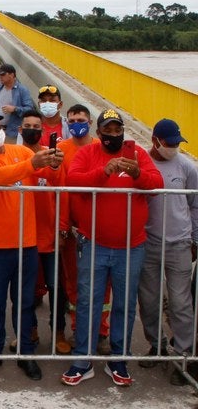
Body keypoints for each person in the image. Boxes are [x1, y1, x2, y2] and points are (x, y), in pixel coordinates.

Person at [61, 108, 163, 387]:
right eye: (108, 130)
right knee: (87, 302)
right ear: (99, 132)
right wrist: (102, 172)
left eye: (118, 130)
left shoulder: (137, 154)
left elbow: (157, 183)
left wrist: (138, 174)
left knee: (124, 305)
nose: (113, 135)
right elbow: (73, 180)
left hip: (131, 248)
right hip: (93, 244)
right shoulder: (87, 153)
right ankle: (82, 360)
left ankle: (119, 360)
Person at [0, 108, 63, 382]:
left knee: (24, 304)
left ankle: (26, 353)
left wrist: (54, 164)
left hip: (27, 244)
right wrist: (33, 164)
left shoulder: (21, 152)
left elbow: (51, 176)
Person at [137, 119, 197, 386]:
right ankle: (157, 346)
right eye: (169, 143)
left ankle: (185, 356)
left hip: (180, 244)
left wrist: (195, 239)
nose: (173, 147)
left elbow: (195, 204)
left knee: (181, 303)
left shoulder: (186, 166)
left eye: (176, 143)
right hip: (148, 244)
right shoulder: (141, 163)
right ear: (155, 140)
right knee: (148, 300)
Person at [56, 104, 111, 355]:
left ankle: (101, 331)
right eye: (72, 120)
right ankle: (79, 329)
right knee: (75, 283)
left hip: (101, 228)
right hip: (74, 231)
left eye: (81, 119)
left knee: (103, 284)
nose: (76, 123)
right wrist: (63, 226)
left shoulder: (102, 148)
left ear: (90, 123)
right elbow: (62, 190)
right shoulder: (61, 150)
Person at [17, 109, 70, 354]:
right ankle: (30, 331)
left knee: (56, 289)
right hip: (22, 237)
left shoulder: (53, 158)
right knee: (25, 290)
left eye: (36, 127)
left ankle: (58, 333)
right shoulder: (14, 155)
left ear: (43, 130)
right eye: (27, 126)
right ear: (20, 129)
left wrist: (62, 229)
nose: (32, 130)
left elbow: (63, 194)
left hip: (49, 237)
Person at [0, 64, 35, 143]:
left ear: (12, 75)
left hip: (13, 133)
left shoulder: (22, 90)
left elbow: (29, 109)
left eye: (3, 74)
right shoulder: (0, 88)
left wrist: (15, 109)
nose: (0, 77)